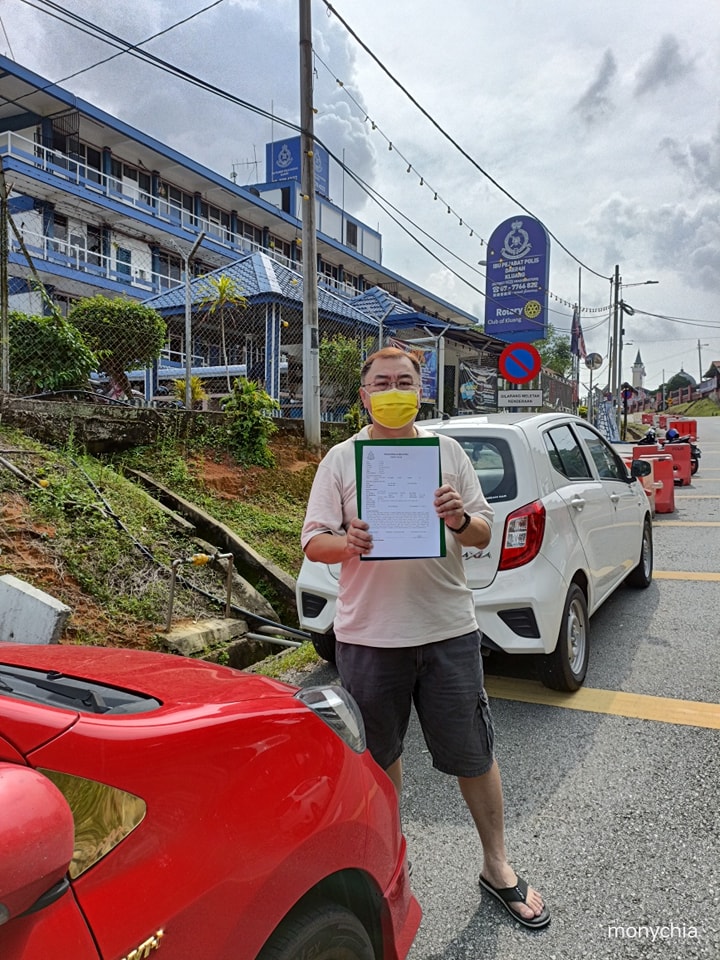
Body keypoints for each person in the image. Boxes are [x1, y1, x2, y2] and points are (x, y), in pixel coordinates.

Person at [301, 347, 549, 929]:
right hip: (368, 637)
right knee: (380, 758)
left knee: (473, 752)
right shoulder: (341, 460)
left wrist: (460, 519)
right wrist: (349, 543)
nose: (393, 390)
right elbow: (314, 541)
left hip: (448, 633)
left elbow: (483, 531)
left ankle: (497, 865)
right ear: (363, 395)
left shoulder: (447, 453)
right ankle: (389, 864)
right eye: (381, 382)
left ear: (422, 390)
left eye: (404, 381)